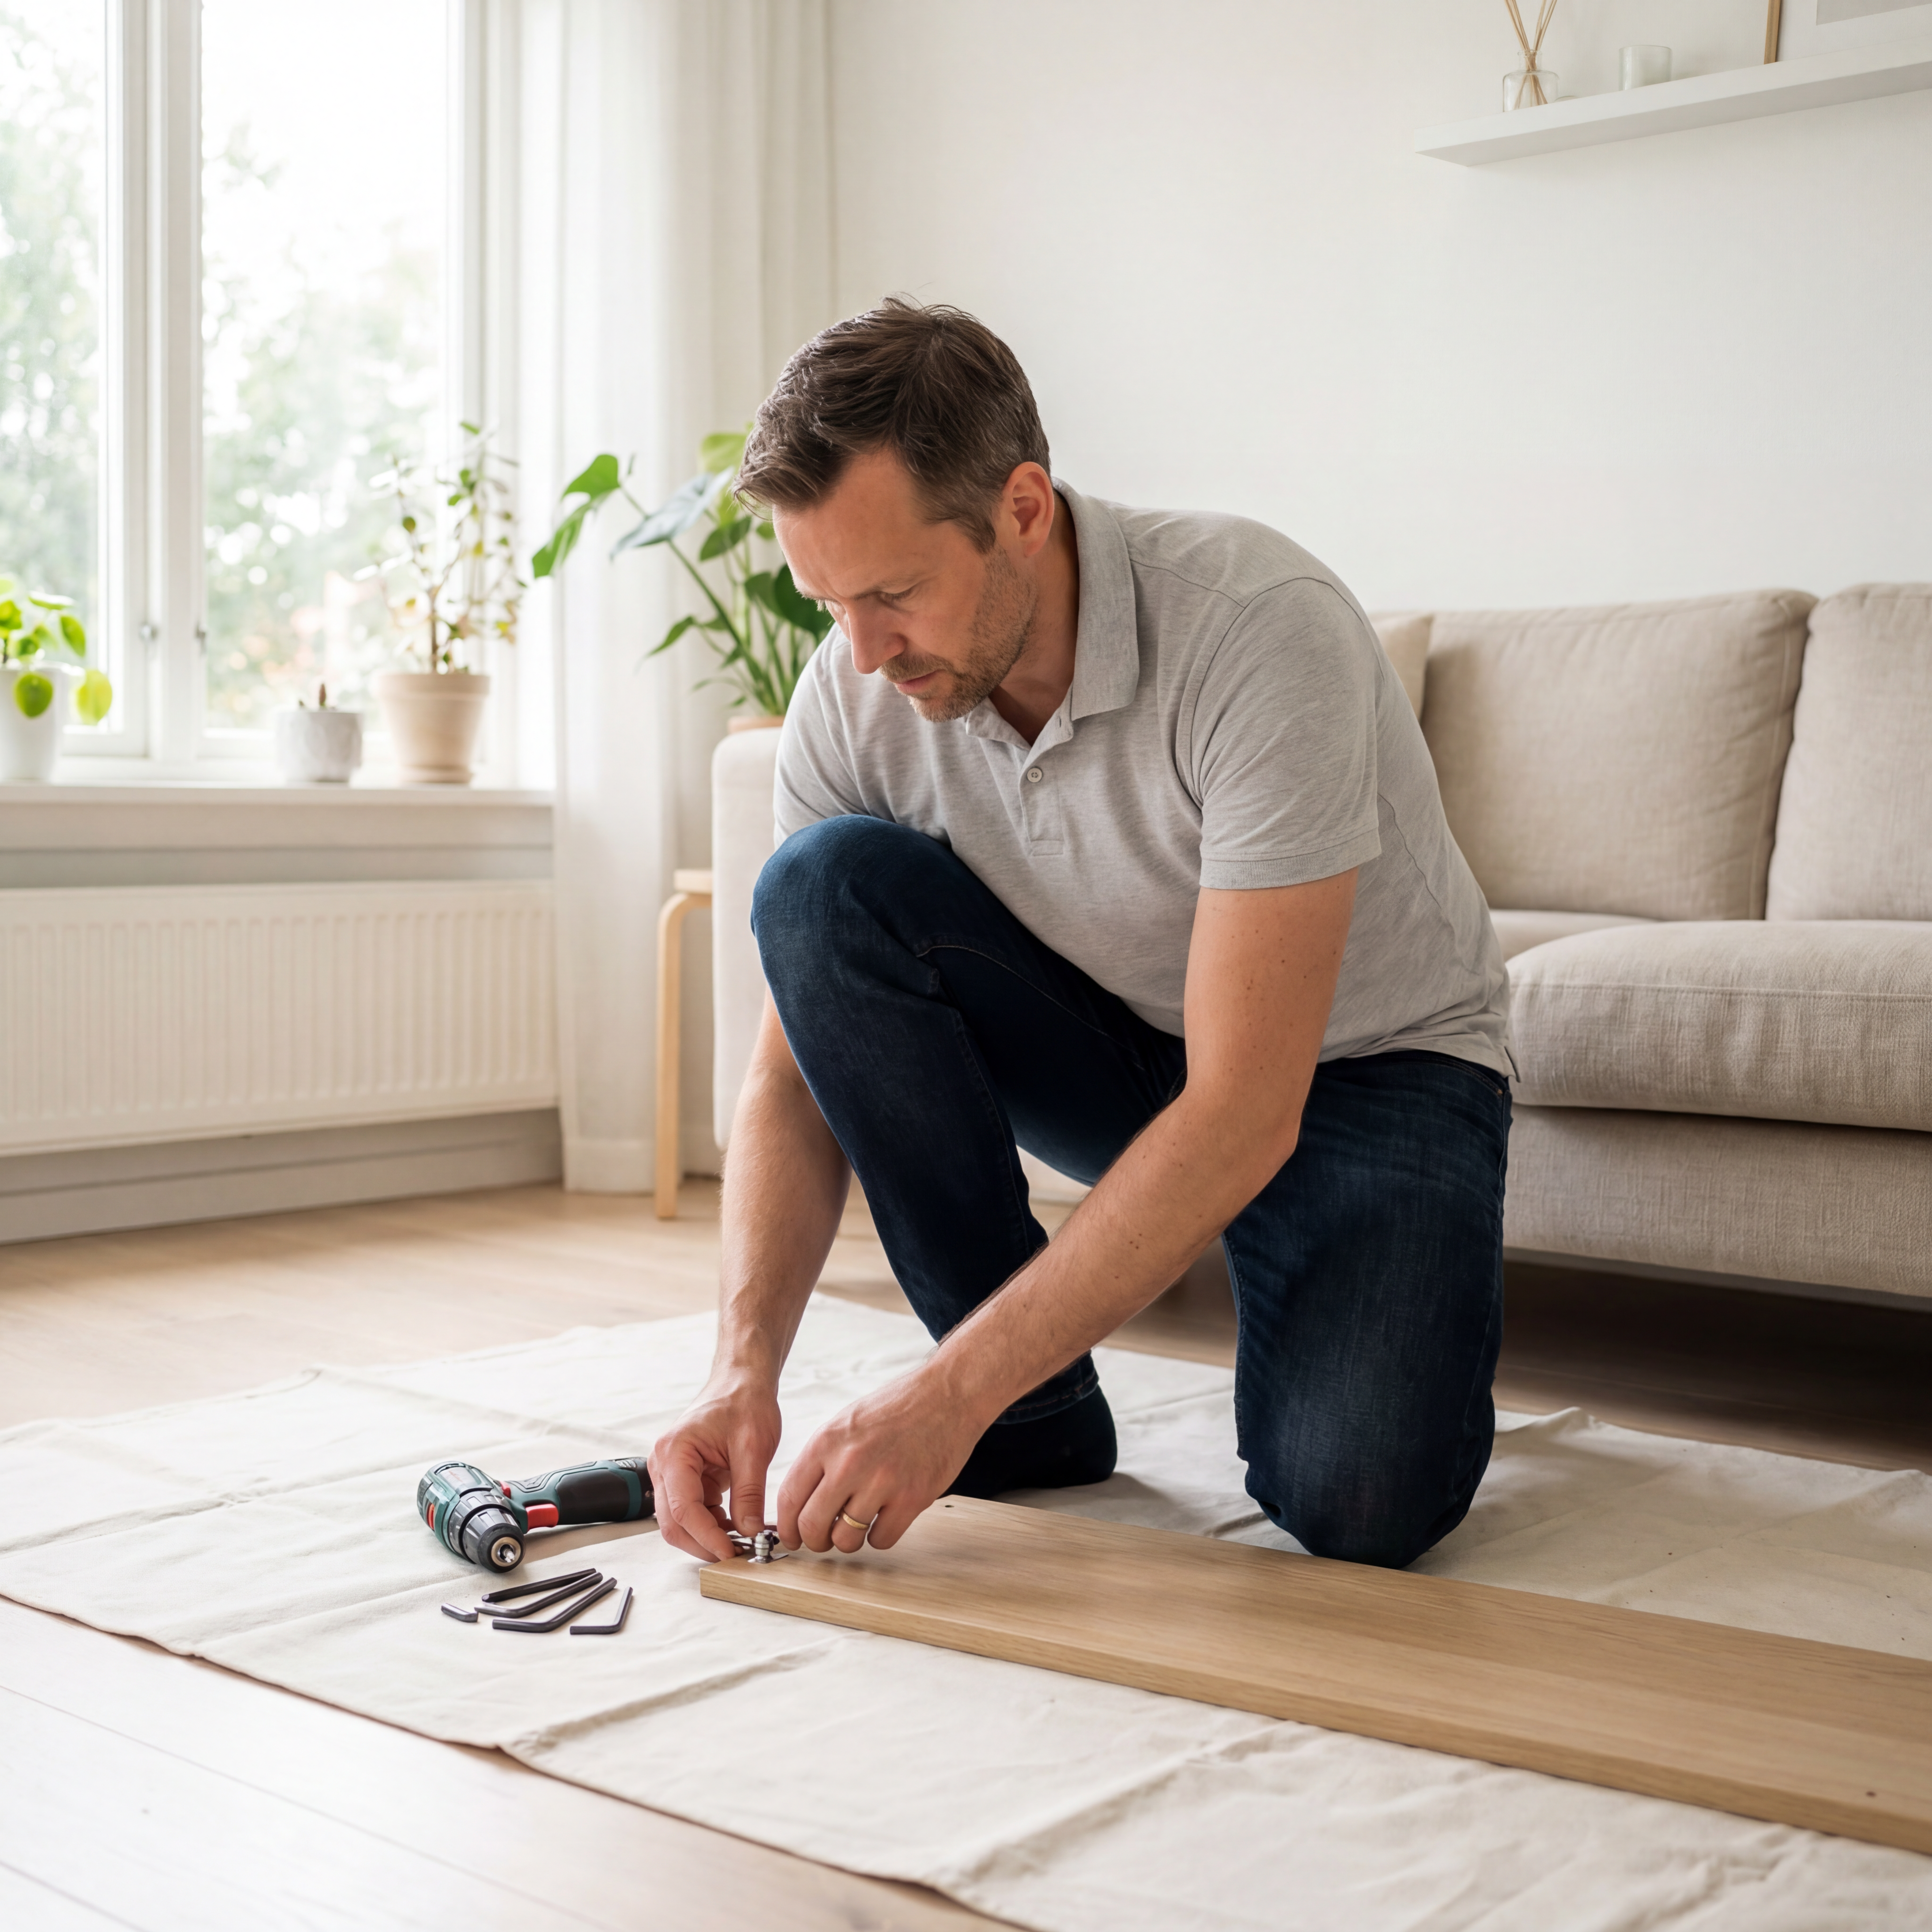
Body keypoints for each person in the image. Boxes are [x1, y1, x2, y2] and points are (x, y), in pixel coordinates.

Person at [648, 298, 1512, 1572]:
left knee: (1362, 1501)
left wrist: (936, 1396)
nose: (864, 651)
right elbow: (792, 1075)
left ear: (1025, 510)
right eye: (829, 601)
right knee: (819, 893)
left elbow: (1242, 1111)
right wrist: (740, 1370)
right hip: (1117, 1045)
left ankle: (1016, 1378)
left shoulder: (1259, 627)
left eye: (894, 593)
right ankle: (1029, 1414)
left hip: (1364, 1076)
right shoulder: (854, 683)